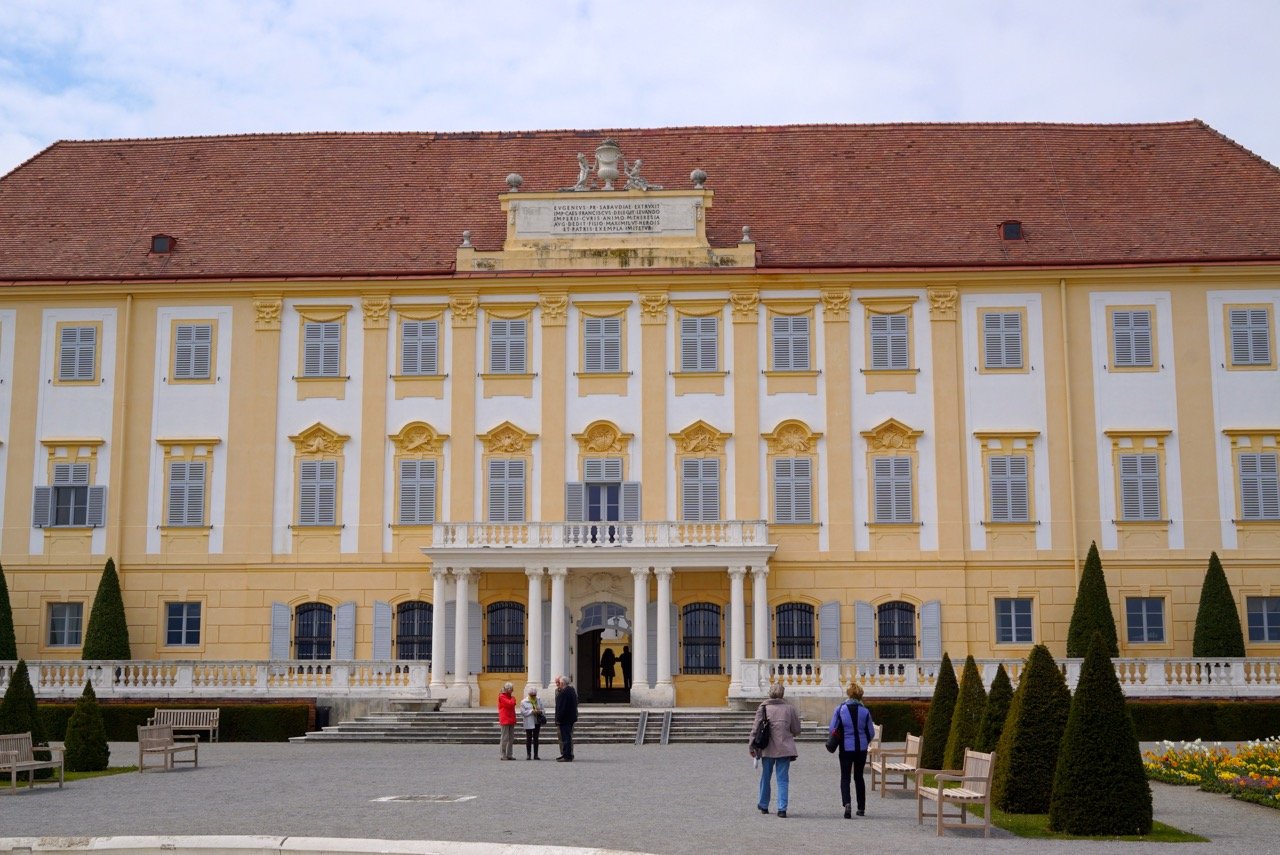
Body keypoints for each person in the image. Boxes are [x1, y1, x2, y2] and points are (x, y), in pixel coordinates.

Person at [749, 682, 803, 817]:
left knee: (766, 777)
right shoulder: (789, 709)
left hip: (767, 748)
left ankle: (763, 805)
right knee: (783, 779)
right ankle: (782, 808)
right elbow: (796, 729)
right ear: (782, 694)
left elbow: (755, 729)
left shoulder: (763, 708)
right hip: (784, 748)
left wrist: (751, 745)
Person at [830, 682, 876, 818]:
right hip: (861, 748)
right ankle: (861, 808)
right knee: (859, 777)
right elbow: (871, 732)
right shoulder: (865, 711)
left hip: (846, 747)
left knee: (845, 777)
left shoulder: (840, 709)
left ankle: (847, 803)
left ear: (848, 694)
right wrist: (864, 741)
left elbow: (832, 728)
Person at [554, 674, 579, 762]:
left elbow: (561, 708)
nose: (559, 685)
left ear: (563, 683)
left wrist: (558, 719)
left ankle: (567, 755)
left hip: (565, 719)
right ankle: (566, 754)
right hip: (571, 718)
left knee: (566, 738)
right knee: (567, 737)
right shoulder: (572, 691)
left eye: (559, 683)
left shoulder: (563, 693)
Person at [517, 685, 544, 760]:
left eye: (534, 695)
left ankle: (536, 755)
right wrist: (532, 711)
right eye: (532, 695)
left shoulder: (539, 700)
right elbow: (523, 712)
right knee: (528, 738)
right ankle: (528, 754)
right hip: (529, 721)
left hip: (537, 721)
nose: (533, 696)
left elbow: (543, 710)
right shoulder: (523, 701)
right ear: (529, 695)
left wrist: (540, 711)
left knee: (536, 738)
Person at [497, 682, 517, 761]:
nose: (512, 690)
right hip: (505, 719)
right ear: (507, 689)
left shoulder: (510, 697)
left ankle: (509, 754)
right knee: (504, 738)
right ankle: (503, 754)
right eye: (511, 689)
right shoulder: (501, 697)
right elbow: (510, 704)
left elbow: (512, 703)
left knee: (511, 738)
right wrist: (513, 699)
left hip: (511, 719)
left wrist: (513, 699)